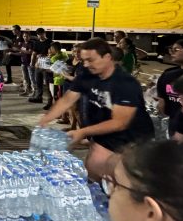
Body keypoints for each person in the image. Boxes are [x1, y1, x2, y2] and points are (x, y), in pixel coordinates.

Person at [39, 37, 154, 181]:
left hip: (131, 139)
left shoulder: (125, 84)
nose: (86, 64)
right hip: (105, 134)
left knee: (119, 178)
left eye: (91, 60)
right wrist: (46, 119)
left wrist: (83, 132)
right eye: (84, 60)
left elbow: (120, 123)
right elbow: (68, 99)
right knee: (93, 171)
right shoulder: (87, 75)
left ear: (107, 57)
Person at [28, 28, 53, 104]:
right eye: (39, 34)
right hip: (38, 65)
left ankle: (50, 100)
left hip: (46, 66)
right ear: (37, 35)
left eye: (42, 34)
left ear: (44, 33)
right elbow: (34, 53)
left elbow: (53, 53)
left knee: (48, 83)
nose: (40, 36)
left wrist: (44, 55)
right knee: (38, 82)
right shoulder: (36, 43)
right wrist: (32, 63)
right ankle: (39, 97)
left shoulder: (50, 42)